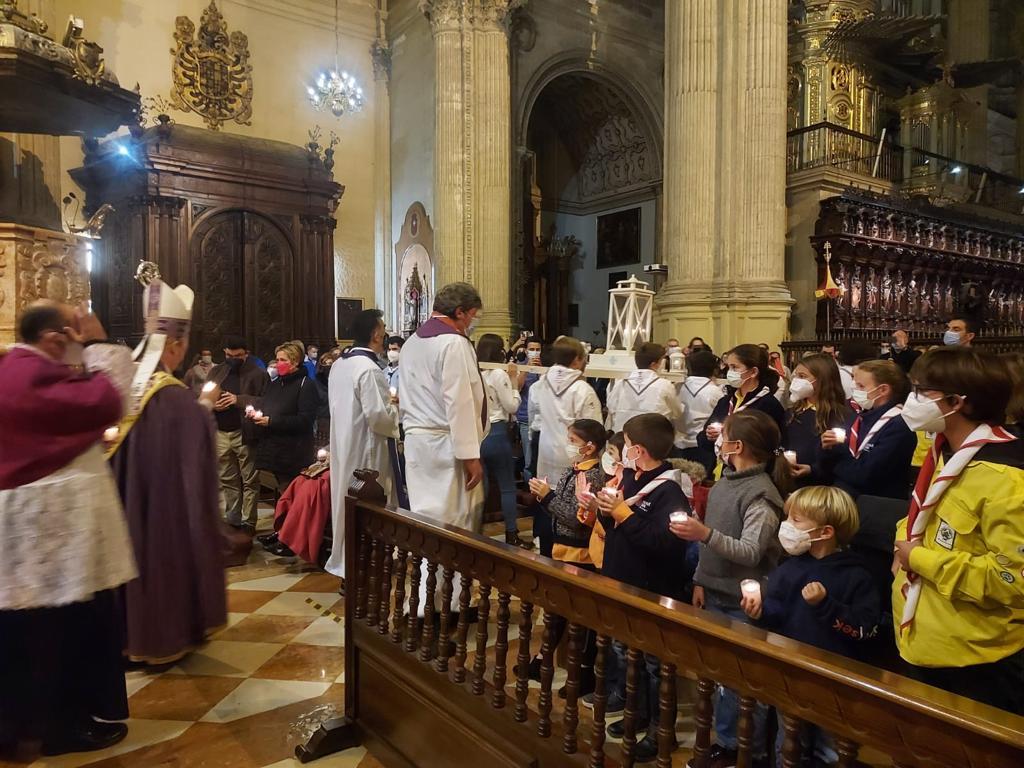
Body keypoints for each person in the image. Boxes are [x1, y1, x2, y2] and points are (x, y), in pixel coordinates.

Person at [0, 302, 137, 756]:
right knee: (55, 634)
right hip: (49, 531)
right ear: (55, 338)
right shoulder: (28, 373)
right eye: (73, 337)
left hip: (39, 530)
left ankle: (31, 725)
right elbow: (109, 398)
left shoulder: (18, 368)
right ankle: (59, 729)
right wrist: (98, 342)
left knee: (35, 633)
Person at [892, 347, 1024, 714]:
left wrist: (919, 558)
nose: (912, 400)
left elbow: (1013, 580)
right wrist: (902, 542)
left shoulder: (1008, 477)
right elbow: (924, 513)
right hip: (923, 638)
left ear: (957, 402)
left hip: (975, 659)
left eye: (922, 391)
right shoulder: (945, 451)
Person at [107, 276, 226, 665]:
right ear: (175, 345)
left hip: (123, 505)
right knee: (162, 564)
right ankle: (162, 640)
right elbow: (197, 453)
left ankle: (128, 638)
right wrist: (205, 408)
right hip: (166, 511)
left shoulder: (122, 385)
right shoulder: (174, 398)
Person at [674, 409, 788, 768]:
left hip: (742, 600)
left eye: (723, 436)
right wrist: (699, 579)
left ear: (736, 445)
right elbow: (713, 542)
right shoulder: (727, 480)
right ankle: (725, 744)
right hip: (715, 591)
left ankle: (745, 752)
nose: (718, 441)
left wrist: (703, 534)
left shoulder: (762, 495)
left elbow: (751, 551)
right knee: (723, 678)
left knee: (745, 685)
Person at [741, 485, 880, 766]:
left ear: (825, 532)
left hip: (834, 682)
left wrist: (827, 605)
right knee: (790, 744)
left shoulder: (856, 576)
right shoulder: (790, 568)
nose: (786, 527)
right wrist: (760, 612)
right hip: (791, 673)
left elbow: (864, 629)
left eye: (795, 521)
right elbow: (779, 613)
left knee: (830, 750)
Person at [595, 413, 694, 763]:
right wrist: (603, 510)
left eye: (623, 444)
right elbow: (619, 523)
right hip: (621, 577)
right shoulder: (632, 478)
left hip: (652, 588)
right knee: (626, 653)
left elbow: (666, 544)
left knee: (654, 664)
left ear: (637, 450)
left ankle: (659, 730)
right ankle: (633, 712)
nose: (618, 451)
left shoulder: (669, 490)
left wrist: (622, 514)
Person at [521, 420, 607, 692]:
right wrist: (544, 497)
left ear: (589, 447)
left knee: (579, 615)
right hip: (561, 547)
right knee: (556, 609)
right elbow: (563, 508)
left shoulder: (592, 476)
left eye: (573, 440)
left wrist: (547, 498)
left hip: (579, 553)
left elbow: (578, 517)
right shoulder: (574, 469)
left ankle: (582, 673)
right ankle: (542, 659)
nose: (568, 444)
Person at [399, 282, 487, 533]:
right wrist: (470, 455)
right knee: (451, 522)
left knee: (423, 516)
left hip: (417, 443)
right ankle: (447, 574)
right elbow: (459, 401)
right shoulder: (453, 343)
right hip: (445, 446)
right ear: (460, 312)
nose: (473, 321)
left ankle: (425, 571)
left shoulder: (411, 342)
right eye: (473, 315)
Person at [324, 310, 401, 577]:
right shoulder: (369, 369)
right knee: (371, 502)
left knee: (345, 500)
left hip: (345, 443)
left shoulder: (339, 364)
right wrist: (396, 412)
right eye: (382, 328)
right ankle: (366, 562)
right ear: (376, 334)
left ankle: (347, 559)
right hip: (367, 450)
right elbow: (379, 417)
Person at [820, 359, 916, 500]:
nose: (855, 390)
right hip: (843, 493)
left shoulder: (899, 425)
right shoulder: (860, 416)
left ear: (883, 390)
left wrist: (837, 457)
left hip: (874, 502)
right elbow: (826, 467)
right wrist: (827, 448)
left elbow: (865, 475)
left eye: (861, 386)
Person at [207, 335, 266, 534]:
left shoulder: (257, 373)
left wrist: (237, 399)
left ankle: (249, 522)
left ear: (246, 354)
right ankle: (233, 519)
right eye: (229, 355)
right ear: (225, 352)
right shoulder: (216, 371)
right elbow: (205, 396)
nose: (233, 358)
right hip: (221, 431)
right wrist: (212, 404)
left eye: (238, 355)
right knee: (227, 478)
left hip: (244, 432)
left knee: (250, 479)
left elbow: (265, 401)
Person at [476, 333, 528, 547]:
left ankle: (475, 531)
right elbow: (512, 406)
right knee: (507, 486)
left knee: (482, 488)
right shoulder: (498, 373)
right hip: (496, 431)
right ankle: (511, 533)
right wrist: (515, 383)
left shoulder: (476, 371)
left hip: (478, 432)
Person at [698, 344, 787, 463]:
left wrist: (728, 437)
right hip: (719, 470)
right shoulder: (726, 402)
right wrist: (709, 437)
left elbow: (769, 445)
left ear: (753, 372)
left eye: (735, 367)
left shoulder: (767, 404)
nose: (730, 372)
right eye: (729, 367)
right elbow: (702, 439)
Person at [250, 340, 320, 493]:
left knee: (291, 494)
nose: (279, 363)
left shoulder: (305, 385)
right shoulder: (276, 384)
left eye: (283, 360)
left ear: (294, 362)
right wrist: (256, 413)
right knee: (283, 494)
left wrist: (272, 421)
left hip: (294, 452)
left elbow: (305, 420)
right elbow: (267, 405)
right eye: (277, 359)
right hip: (275, 450)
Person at [530, 336, 602, 481]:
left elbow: (533, 419)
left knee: (546, 495)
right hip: (573, 456)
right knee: (569, 499)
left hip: (545, 451)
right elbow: (593, 430)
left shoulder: (540, 384)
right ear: (577, 359)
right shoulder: (582, 389)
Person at [786, 353, 851, 488]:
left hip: (820, 486)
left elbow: (840, 457)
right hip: (790, 482)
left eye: (802, 377)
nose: (796, 381)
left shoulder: (839, 415)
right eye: (796, 376)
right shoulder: (792, 412)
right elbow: (782, 444)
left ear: (822, 380)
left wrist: (813, 469)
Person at [606, 342, 685, 438]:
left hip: (624, 437)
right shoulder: (664, 385)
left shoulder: (621, 384)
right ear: (654, 364)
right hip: (653, 440)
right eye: (662, 360)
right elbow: (677, 412)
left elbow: (611, 407)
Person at [677, 350, 722, 474]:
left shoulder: (678, 387)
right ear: (714, 369)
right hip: (703, 447)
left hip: (679, 445)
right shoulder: (715, 391)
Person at [515, 336, 543, 480]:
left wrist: (540, 369)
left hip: (544, 420)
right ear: (526, 351)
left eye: (537, 350)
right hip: (526, 418)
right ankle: (528, 488)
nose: (535, 352)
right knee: (529, 459)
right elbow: (517, 388)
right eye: (532, 349)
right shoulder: (521, 365)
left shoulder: (545, 366)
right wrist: (526, 369)